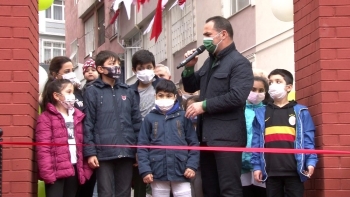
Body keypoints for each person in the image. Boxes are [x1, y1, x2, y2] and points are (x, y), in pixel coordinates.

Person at [181, 16, 253, 196]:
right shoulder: (209, 61)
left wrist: (204, 105)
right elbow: (190, 86)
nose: (204, 39)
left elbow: (237, 97)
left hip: (228, 138)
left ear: (223, 34)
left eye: (207, 34)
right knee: (210, 189)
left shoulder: (239, 63)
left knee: (229, 189)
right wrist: (189, 68)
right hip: (206, 137)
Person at [83, 50, 142, 197]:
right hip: (103, 153)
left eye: (118, 64)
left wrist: (138, 150)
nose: (116, 67)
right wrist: (90, 153)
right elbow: (88, 123)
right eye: (111, 64)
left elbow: (137, 123)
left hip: (127, 151)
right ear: (100, 69)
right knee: (105, 193)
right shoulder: (92, 92)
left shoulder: (128, 91)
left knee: (125, 192)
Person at [251, 69, 318, 197]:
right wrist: (257, 166)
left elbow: (308, 140)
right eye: (270, 82)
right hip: (271, 171)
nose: (273, 85)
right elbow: (256, 143)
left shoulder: (301, 112)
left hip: (295, 171)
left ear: (289, 87)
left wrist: (310, 162)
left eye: (278, 81)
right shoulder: (261, 113)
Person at [137, 79, 199, 197]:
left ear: (175, 97)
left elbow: (194, 144)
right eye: (161, 95)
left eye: (168, 95)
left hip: (182, 171)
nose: (164, 98)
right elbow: (142, 146)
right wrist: (145, 170)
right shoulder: (149, 118)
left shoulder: (183, 117)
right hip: (157, 171)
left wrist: (191, 166)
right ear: (155, 96)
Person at [36, 79, 93, 197]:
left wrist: (85, 170)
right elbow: (43, 148)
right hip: (55, 173)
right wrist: (48, 174)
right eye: (69, 92)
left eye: (73, 92)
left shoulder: (78, 116)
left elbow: (84, 143)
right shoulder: (46, 118)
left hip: (75, 170)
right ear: (57, 96)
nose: (72, 96)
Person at [130, 50, 162, 197]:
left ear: (154, 67)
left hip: (161, 141)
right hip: (140, 143)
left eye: (149, 67)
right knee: (141, 187)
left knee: (162, 185)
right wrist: (135, 150)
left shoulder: (164, 87)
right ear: (134, 70)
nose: (145, 71)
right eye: (140, 68)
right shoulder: (129, 92)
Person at [241, 75, 269, 197]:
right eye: (253, 89)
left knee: (262, 193)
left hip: (262, 162)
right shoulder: (237, 110)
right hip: (240, 163)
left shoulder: (269, 111)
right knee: (244, 192)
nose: (257, 93)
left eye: (261, 90)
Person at [75, 60, 98, 197]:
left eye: (93, 69)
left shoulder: (100, 89)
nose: (90, 72)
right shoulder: (80, 91)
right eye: (87, 70)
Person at [183, 95, 203, 197]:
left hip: (199, 168)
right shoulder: (183, 128)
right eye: (189, 107)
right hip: (185, 168)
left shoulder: (204, 128)